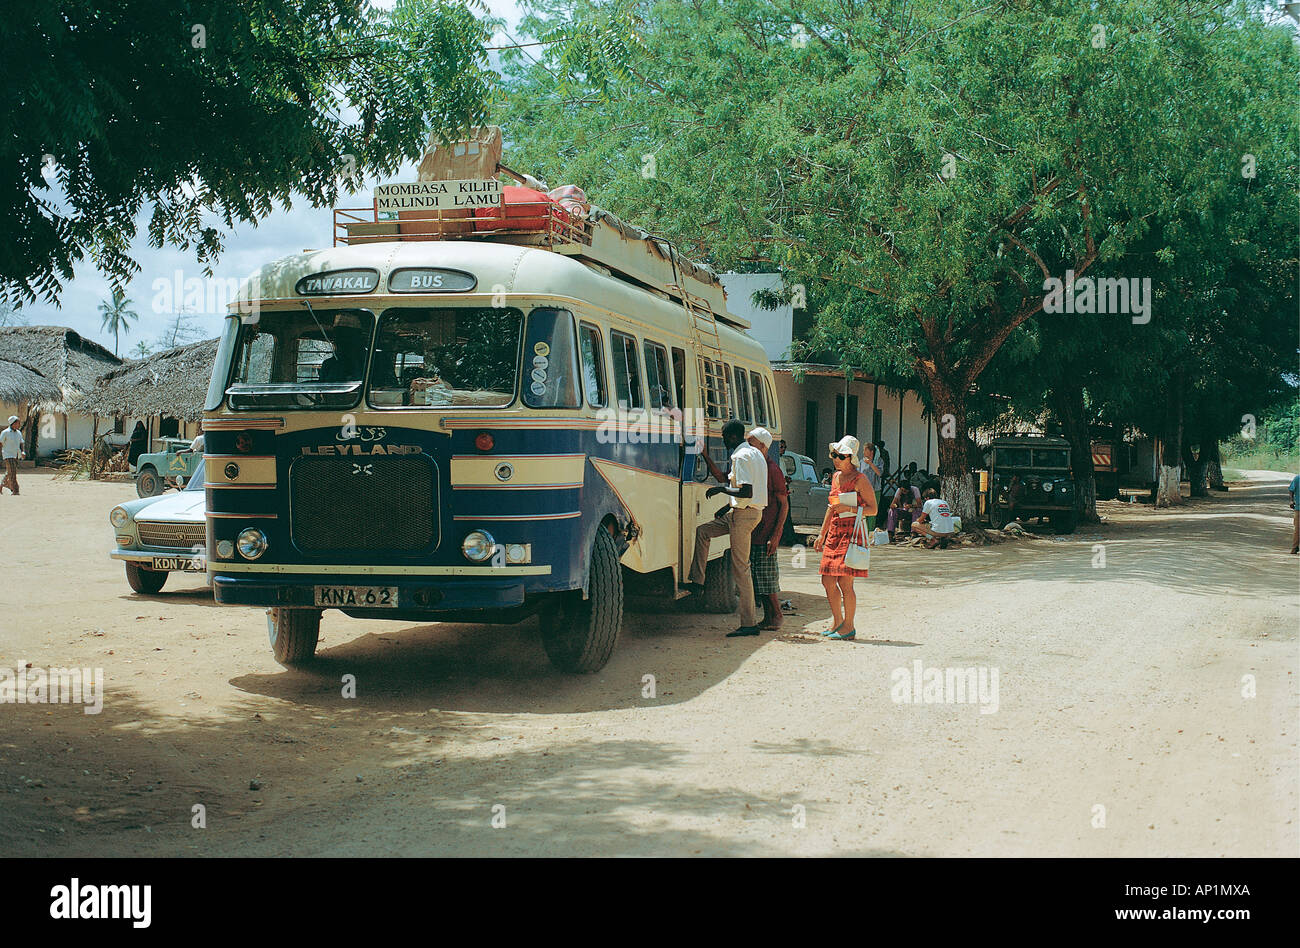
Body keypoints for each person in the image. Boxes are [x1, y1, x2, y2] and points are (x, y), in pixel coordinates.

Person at [681, 419, 768, 637]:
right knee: (704, 532)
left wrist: (721, 491)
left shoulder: (741, 457)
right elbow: (729, 481)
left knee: (741, 568)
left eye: (723, 436)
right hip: (741, 513)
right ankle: (698, 582)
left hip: (744, 516)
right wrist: (704, 454)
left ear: (731, 437)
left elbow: (745, 492)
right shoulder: (755, 453)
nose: (722, 439)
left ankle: (749, 624)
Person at [813, 435, 876, 640]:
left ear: (851, 458)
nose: (836, 459)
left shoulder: (861, 479)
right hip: (835, 532)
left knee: (845, 583)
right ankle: (837, 620)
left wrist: (849, 507)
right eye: (834, 455)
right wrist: (821, 534)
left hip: (851, 533)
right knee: (827, 580)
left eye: (841, 456)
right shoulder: (835, 477)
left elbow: (873, 509)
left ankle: (848, 626)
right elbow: (831, 508)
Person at [747, 427, 789, 631]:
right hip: (754, 531)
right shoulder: (755, 467)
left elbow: (784, 504)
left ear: (762, 447)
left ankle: (777, 615)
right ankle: (769, 617)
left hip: (766, 532)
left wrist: (776, 534)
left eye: (752, 444)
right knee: (757, 577)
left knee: (766, 578)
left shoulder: (772, 470)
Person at [859, 442, 882, 531]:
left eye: (865, 450)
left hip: (875, 490)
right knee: (863, 511)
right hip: (863, 490)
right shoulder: (861, 462)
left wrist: (871, 464)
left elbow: (879, 473)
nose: (863, 452)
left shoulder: (879, 461)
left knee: (872, 512)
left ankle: (870, 532)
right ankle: (862, 533)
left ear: (871, 451)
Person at [1, 416, 24, 496]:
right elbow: (0, 443)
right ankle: (15, 490)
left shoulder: (18, 433)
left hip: (16, 455)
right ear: (13, 423)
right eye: (18, 423)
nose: (19, 425)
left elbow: (21, 443)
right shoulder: (5, 432)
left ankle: (2, 484)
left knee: (10, 472)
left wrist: (23, 451)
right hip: (7, 454)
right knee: (13, 473)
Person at [1289, 472, 1299, 555]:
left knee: (1297, 529)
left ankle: (1294, 548)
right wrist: (1292, 500)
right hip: (1299, 507)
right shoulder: (1297, 478)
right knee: (1297, 529)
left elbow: (1291, 489)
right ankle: (1294, 547)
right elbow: (1291, 490)